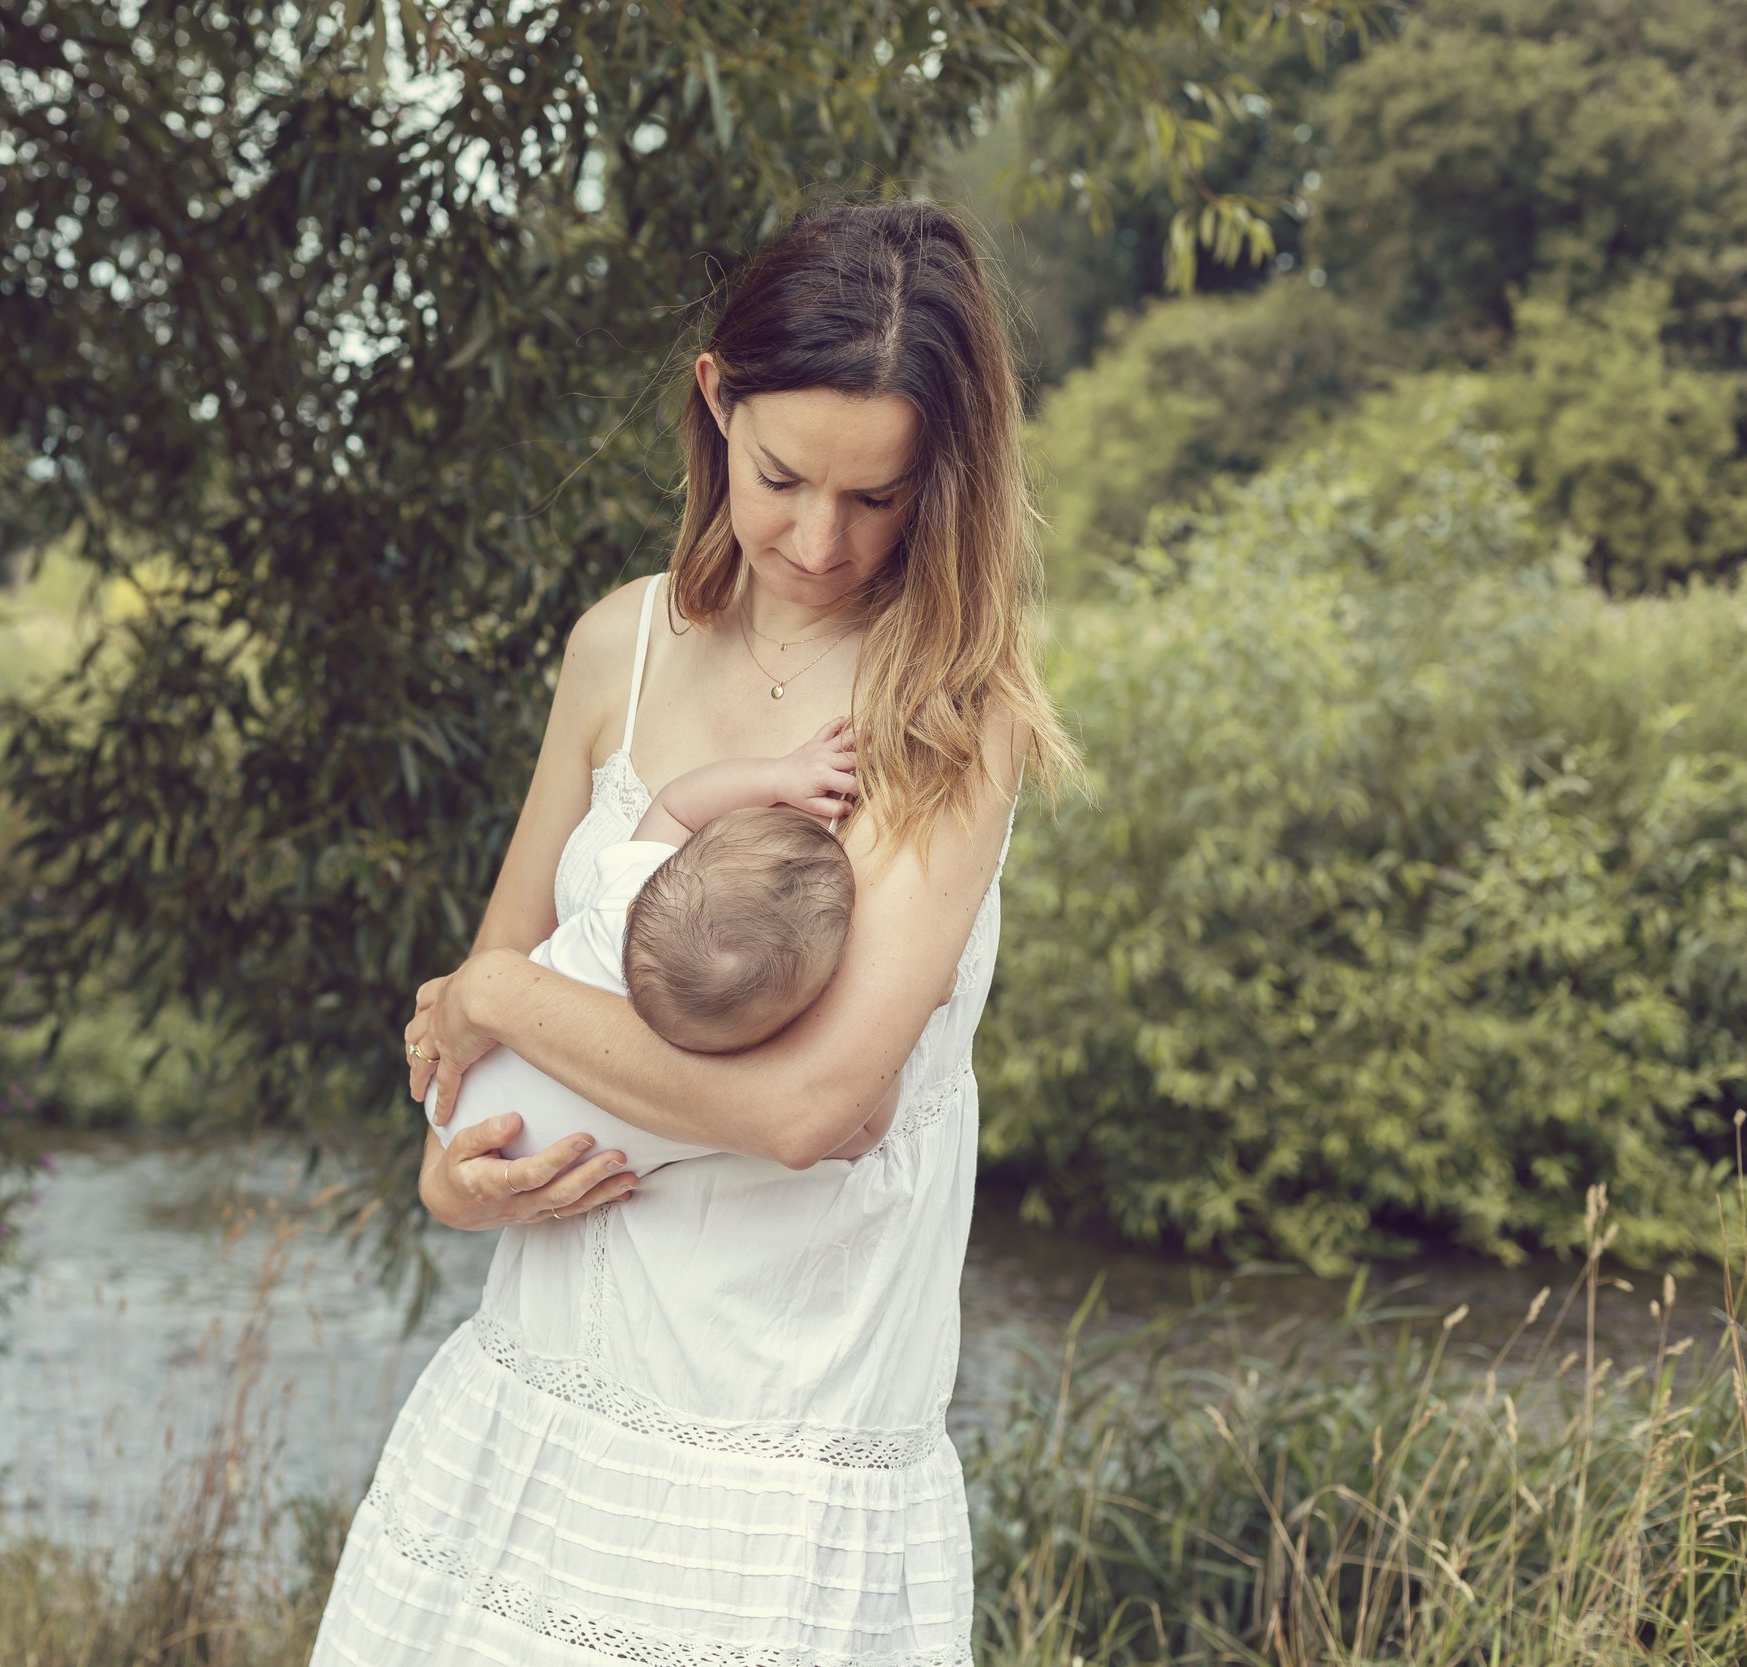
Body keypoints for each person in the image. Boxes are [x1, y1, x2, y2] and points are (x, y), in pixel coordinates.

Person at [310, 198, 1080, 1666]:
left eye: (880, 496)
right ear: (716, 399)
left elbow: (810, 1106)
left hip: (768, 1469)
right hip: (529, 1413)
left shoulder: (947, 717)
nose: (818, 537)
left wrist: (496, 996)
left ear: (948, 480)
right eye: (783, 475)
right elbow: (455, 1100)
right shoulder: (622, 643)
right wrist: (459, 1178)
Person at [425, 716, 891, 1177]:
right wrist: (907, 1002)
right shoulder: (716, 1091)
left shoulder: (622, 902)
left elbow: (676, 805)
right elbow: (865, 1129)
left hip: (462, 1098)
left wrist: (779, 777)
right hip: (519, 1157)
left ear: (637, 905)